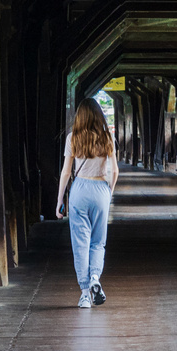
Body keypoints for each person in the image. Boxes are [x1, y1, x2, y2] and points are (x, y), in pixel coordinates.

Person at [56, 98, 118, 309]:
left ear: (80, 116)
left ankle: (84, 295)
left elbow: (66, 172)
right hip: (101, 189)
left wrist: (59, 200)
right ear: (98, 115)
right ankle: (94, 277)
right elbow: (115, 171)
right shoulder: (107, 137)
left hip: (80, 190)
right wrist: (109, 192)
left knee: (80, 244)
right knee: (98, 242)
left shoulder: (72, 138)